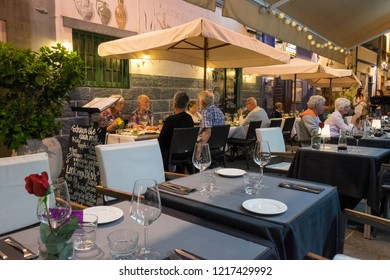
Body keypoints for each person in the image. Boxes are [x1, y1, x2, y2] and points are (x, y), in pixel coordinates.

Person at [158, 91, 194, 172]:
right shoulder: (189, 118)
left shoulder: (171, 119)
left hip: (172, 155)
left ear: (174, 104)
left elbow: (161, 140)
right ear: (186, 105)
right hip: (187, 153)